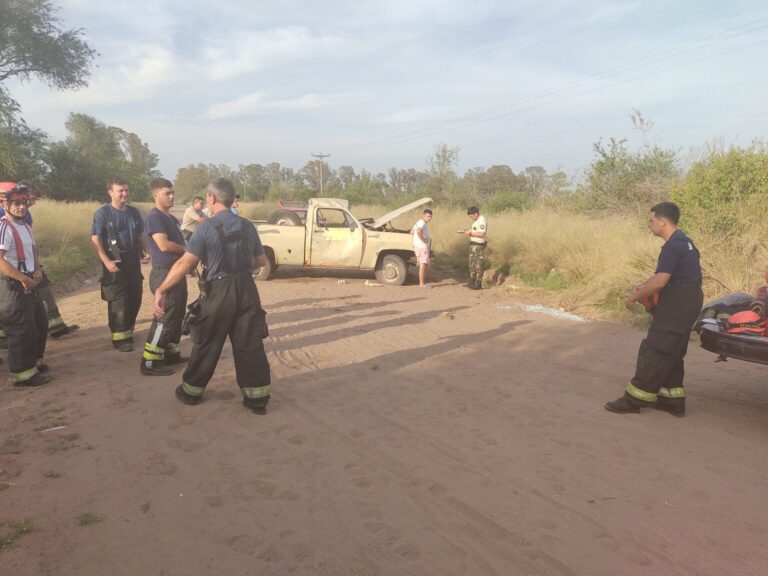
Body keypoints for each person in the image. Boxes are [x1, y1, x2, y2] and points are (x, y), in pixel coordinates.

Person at [153, 178, 271, 414]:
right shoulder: (248, 226)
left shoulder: (205, 228)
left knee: (207, 342)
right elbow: (260, 261)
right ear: (232, 198)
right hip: (247, 290)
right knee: (250, 345)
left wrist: (162, 288)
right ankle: (257, 398)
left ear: (212, 198)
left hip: (218, 292)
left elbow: (186, 263)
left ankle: (191, 392)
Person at [605, 202, 703, 417]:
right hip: (687, 303)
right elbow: (666, 278)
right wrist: (645, 285)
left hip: (677, 306)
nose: (650, 225)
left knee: (655, 350)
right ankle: (672, 401)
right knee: (673, 352)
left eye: (651, 221)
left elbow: (660, 281)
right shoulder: (686, 243)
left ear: (663, 221)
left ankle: (632, 400)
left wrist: (634, 297)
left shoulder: (672, 246)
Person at [1, 181, 79, 340]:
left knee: (40, 291)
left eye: (31, 200)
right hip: (9, 270)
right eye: (31, 198)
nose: (30, 203)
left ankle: (55, 327)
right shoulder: (5, 213)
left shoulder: (25, 214)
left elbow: (27, 241)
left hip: (27, 265)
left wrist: (36, 266)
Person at [90, 179, 150, 352]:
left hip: (132, 259)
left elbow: (141, 234)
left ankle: (129, 329)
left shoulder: (133, 212)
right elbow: (96, 239)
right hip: (114, 258)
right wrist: (107, 262)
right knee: (118, 299)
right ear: (110, 192)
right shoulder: (103, 213)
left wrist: (147, 251)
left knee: (135, 294)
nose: (124, 194)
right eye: (120, 191)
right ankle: (120, 337)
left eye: (126, 190)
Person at [0, 183, 49, 386]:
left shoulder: (25, 225)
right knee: (21, 329)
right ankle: (22, 375)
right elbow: (1, 260)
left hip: (29, 281)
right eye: (16, 204)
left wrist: (37, 271)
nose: (21, 207)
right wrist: (23, 278)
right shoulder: (4, 227)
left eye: (23, 203)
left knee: (39, 322)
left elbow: (33, 251)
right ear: (4, 204)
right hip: (13, 285)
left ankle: (34, 363)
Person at [140, 178, 188, 376]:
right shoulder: (154, 217)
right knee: (164, 317)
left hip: (176, 271)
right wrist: (189, 250)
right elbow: (164, 245)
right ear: (155, 195)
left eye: (172, 192)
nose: (171, 196)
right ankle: (150, 361)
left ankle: (170, 352)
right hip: (164, 272)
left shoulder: (171, 219)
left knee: (177, 314)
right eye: (166, 193)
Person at [462, 206, 487, 290]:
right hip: (473, 245)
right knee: (471, 264)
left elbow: (482, 234)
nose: (471, 218)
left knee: (478, 264)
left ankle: (478, 283)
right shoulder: (476, 221)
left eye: (472, 216)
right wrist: (468, 230)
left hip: (478, 245)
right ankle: (472, 281)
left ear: (476, 213)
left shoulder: (482, 220)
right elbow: (476, 230)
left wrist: (470, 233)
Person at [411, 208, 432, 288]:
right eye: (428, 216)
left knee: (423, 265)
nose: (429, 218)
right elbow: (418, 231)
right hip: (422, 247)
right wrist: (424, 240)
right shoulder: (422, 223)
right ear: (423, 215)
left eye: (430, 217)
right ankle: (422, 284)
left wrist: (417, 239)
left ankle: (422, 283)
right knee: (423, 265)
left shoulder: (418, 222)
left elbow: (412, 232)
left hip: (417, 246)